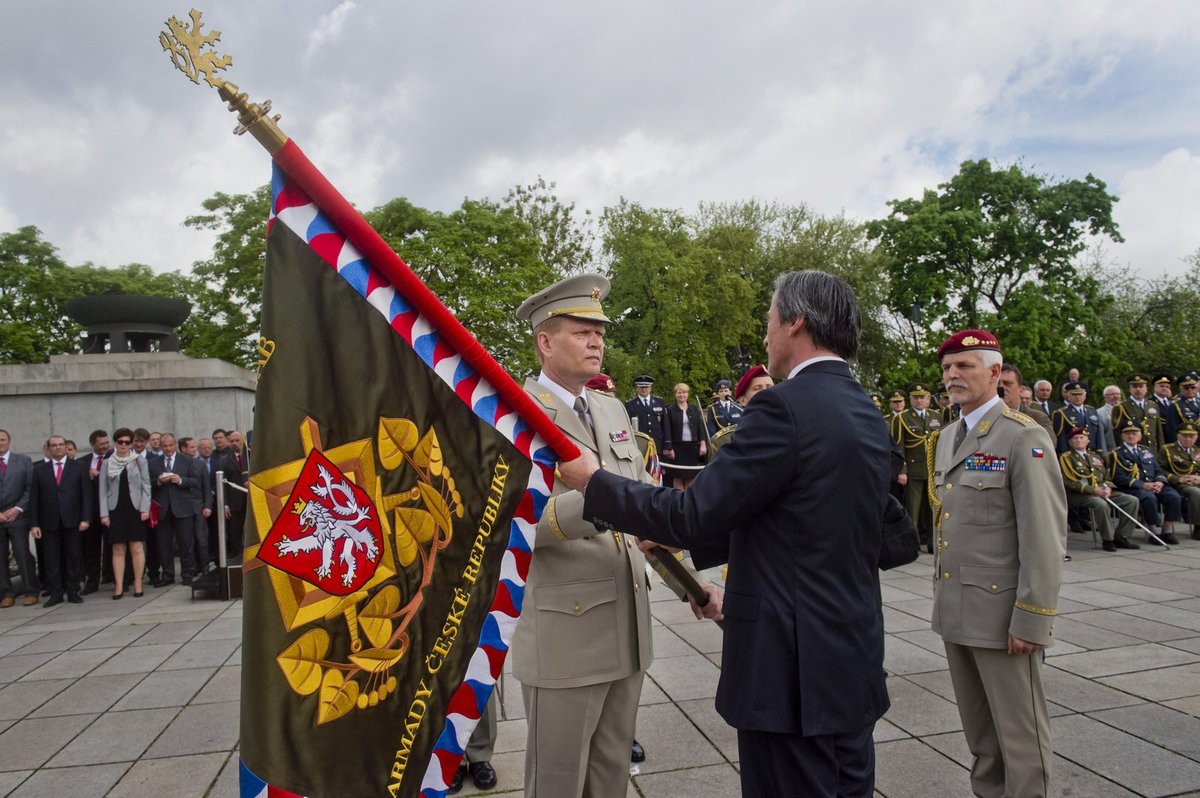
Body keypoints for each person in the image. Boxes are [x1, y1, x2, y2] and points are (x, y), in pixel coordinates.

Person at [559, 270, 892, 797]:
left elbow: (694, 514)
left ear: (796, 322)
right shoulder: (862, 409)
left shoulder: (784, 407)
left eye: (769, 321)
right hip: (848, 660)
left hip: (791, 677)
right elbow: (811, 521)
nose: (765, 336)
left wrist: (592, 482)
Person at [512, 274, 656, 798]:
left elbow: (640, 500)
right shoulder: (512, 418)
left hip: (627, 625)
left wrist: (690, 581)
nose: (597, 341)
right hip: (567, 634)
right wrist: (599, 498)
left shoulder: (611, 408)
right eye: (581, 331)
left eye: (599, 331)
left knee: (610, 778)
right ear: (545, 342)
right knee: (557, 783)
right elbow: (516, 521)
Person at [930, 329, 1066, 798]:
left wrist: (1033, 617)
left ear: (994, 373)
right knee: (982, 740)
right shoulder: (949, 436)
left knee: (1021, 739)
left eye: (964, 366)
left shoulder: (1022, 436)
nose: (952, 375)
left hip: (1004, 616)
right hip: (957, 609)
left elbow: (1044, 535)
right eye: (947, 368)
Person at [29, 435, 93, 607]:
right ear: (48, 449)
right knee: (51, 559)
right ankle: (56, 592)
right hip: (48, 522)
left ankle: (73, 591)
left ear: (66, 447)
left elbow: (86, 495)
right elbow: (34, 498)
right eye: (54, 445)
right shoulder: (39, 470)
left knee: (73, 556)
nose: (58, 448)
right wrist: (34, 523)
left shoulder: (79, 467)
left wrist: (85, 518)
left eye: (61, 445)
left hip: (73, 520)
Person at [1058, 427, 1141, 551]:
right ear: (1070, 442)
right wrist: (1093, 490)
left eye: (1082, 437)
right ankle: (1108, 540)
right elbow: (1069, 482)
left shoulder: (1094, 456)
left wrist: (1107, 488)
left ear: (1088, 440)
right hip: (1080, 495)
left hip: (1102, 491)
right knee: (1100, 504)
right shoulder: (1066, 458)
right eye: (1075, 438)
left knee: (1131, 500)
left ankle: (1122, 536)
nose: (1079, 440)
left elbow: (1106, 477)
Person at [1109, 419, 1183, 544]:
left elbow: (1158, 470)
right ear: (1122, 436)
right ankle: (1153, 532)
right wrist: (1143, 485)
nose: (1131, 436)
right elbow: (1119, 478)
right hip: (1134, 488)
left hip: (1154, 485)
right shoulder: (1116, 454)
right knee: (1149, 498)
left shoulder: (1146, 451)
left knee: (1173, 496)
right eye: (1128, 433)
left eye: (1134, 433)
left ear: (1140, 436)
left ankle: (1167, 531)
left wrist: (1160, 482)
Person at [98, 428, 151, 598]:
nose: (123, 445)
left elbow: (146, 486)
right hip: (115, 508)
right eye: (120, 442)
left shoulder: (138, 461)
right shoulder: (107, 463)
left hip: (134, 507)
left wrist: (145, 508)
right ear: (115, 443)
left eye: (127, 442)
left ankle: (137, 583)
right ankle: (119, 586)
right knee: (118, 549)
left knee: (136, 547)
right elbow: (102, 490)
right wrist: (104, 514)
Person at [892, 382, 940, 553]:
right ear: (910, 399)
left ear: (928, 398)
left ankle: (933, 543)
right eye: (916, 397)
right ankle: (912, 543)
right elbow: (899, 446)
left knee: (932, 509)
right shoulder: (902, 418)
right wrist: (902, 470)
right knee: (913, 509)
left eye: (923, 397)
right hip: (913, 470)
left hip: (933, 470)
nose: (919, 401)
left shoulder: (936, 416)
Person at [149, 433, 203, 586]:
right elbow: (148, 485)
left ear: (175, 445)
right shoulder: (153, 463)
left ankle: (187, 574)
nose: (167, 448)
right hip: (162, 509)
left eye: (170, 445)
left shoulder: (187, 461)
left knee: (186, 543)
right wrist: (158, 481)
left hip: (183, 508)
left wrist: (180, 480)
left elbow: (195, 481)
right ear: (160, 446)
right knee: (164, 544)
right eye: (164, 446)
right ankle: (167, 575)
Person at [0, 429, 39, 607]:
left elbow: (30, 488)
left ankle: (30, 591)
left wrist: (17, 508)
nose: (0, 443)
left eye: (2, 440)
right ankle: (6, 593)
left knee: (22, 554)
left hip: (18, 516)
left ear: (9, 441)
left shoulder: (23, 461)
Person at [79, 428, 110, 595]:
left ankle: (116, 578)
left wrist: (100, 475)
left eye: (107, 443)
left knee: (114, 546)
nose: (105, 446)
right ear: (92, 444)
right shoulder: (82, 462)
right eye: (101, 444)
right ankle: (92, 582)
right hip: (91, 512)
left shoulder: (115, 458)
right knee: (91, 548)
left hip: (111, 511)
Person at [1160, 420, 1200, 541]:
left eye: (1191, 436)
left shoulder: (1197, 450)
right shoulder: (1168, 450)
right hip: (1178, 484)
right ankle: (1198, 527)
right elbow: (1160, 471)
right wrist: (1179, 478)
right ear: (1178, 436)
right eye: (1185, 436)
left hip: (1197, 482)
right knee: (1196, 493)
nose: (1188, 439)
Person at [663, 383, 706, 489]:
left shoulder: (694, 409)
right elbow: (666, 430)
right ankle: (679, 502)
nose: (682, 395)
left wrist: (703, 444)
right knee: (678, 477)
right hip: (677, 447)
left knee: (691, 476)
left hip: (692, 447)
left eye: (684, 392)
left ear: (688, 394)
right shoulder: (669, 410)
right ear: (675, 394)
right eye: (679, 392)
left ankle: (688, 502)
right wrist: (669, 447)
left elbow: (700, 427)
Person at [1111, 373, 1166, 453]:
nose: (1138, 389)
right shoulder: (1121, 407)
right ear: (1129, 389)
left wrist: (1161, 451)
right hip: (1133, 451)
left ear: (1146, 389)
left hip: (1152, 450)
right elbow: (1117, 434)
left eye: (1141, 386)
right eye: (1134, 387)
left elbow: (1159, 432)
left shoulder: (1153, 405)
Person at [624, 377, 672, 461]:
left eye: (646, 387)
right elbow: (627, 426)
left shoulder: (659, 402)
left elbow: (665, 425)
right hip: (639, 444)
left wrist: (667, 445)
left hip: (657, 443)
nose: (644, 389)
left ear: (650, 388)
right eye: (641, 387)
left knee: (657, 470)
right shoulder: (630, 404)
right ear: (637, 388)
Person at [1052, 381, 1106, 456]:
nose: (1077, 397)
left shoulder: (1092, 411)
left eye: (1080, 394)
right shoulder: (1061, 413)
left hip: (1092, 453)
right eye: (1074, 394)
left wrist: (1100, 452)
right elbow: (1061, 438)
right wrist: (1064, 455)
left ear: (1085, 395)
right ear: (1068, 396)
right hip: (1073, 455)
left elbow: (1098, 435)